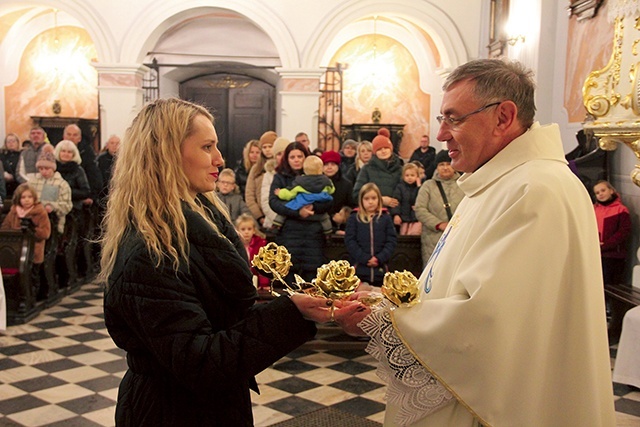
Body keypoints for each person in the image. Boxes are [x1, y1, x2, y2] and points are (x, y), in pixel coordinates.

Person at [338, 59, 615, 426]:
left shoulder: (537, 190)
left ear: (503, 116)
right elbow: (452, 284)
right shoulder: (493, 182)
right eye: (441, 119)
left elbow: (491, 321)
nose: (440, 134)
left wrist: (383, 320)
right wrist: (383, 299)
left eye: (454, 119)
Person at [100, 98, 359, 426]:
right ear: (166, 153)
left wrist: (300, 308)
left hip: (208, 406)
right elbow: (202, 362)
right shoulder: (152, 251)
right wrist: (290, 315)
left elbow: (225, 320)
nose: (220, 159)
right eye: (207, 146)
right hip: (172, 412)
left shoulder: (199, 219)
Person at [269, 142, 332, 281]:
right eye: (292, 157)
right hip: (289, 232)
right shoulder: (280, 177)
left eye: (300, 156)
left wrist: (313, 208)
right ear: (287, 159)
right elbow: (274, 202)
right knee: (290, 276)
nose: (296, 160)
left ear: (306, 158)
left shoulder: (317, 177)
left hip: (313, 232)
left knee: (313, 276)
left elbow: (328, 200)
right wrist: (298, 212)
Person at [63, 124, 103, 279]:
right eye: (68, 134)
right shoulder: (55, 154)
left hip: (81, 204)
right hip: (65, 205)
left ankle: (81, 268)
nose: (71, 137)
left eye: (74, 135)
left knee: (80, 236)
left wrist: (91, 197)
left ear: (79, 138)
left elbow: (94, 180)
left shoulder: (86, 155)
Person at [414, 149, 464, 265]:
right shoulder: (428, 186)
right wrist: (439, 224)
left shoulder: (463, 184)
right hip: (433, 239)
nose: (445, 167)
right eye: (441, 164)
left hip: (458, 237)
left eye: (448, 163)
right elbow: (420, 209)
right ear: (436, 167)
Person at [54, 140, 91, 288]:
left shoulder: (78, 170)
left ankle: (71, 273)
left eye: (69, 152)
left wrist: (66, 191)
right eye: (63, 151)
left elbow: (85, 191)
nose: (66, 154)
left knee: (68, 244)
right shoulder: (53, 168)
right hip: (55, 210)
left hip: (73, 211)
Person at [344, 183, 397, 287]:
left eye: (374, 198)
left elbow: (391, 240)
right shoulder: (354, 218)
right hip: (359, 269)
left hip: (381, 270)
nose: (370, 202)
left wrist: (379, 258)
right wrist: (365, 258)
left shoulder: (385, 218)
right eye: (366, 199)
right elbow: (350, 241)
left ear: (379, 199)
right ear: (361, 201)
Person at [272, 155, 334, 236]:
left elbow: (290, 193)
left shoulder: (300, 181)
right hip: (317, 210)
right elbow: (332, 190)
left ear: (304, 169)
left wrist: (280, 193)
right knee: (325, 218)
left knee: (286, 209)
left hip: (302, 204)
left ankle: (277, 224)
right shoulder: (326, 181)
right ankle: (328, 232)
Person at [1, 183, 51, 267]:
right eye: (23, 197)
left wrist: (31, 230)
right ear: (18, 199)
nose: (27, 200)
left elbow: (45, 233)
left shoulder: (40, 212)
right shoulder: (13, 211)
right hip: (14, 249)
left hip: (33, 250)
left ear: (34, 198)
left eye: (30, 197)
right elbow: (4, 228)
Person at [593, 180, 632, 285]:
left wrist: (605, 245)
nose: (600, 194)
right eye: (597, 193)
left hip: (614, 255)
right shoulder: (593, 209)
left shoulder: (621, 210)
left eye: (603, 190)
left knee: (611, 285)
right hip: (596, 254)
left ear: (611, 191)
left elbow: (624, 232)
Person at [352, 129, 402, 209]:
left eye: (386, 148)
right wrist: (380, 200)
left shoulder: (400, 169)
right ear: (375, 152)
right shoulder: (367, 169)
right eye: (379, 149)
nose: (383, 151)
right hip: (373, 213)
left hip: (396, 214)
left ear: (391, 149)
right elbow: (356, 194)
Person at [245, 131, 276, 226]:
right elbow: (249, 194)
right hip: (261, 216)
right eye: (264, 147)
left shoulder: (281, 167)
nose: (267, 150)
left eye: (270, 146)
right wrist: (259, 216)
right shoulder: (256, 168)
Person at [260, 137, 291, 230]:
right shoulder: (269, 174)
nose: (282, 157)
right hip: (274, 224)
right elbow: (265, 201)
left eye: (284, 153)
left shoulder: (295, 173)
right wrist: (278, 220)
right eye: (278, 154)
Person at [321, 150, 355, 232]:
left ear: (338, 166)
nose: (329, 167)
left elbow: (351, 206)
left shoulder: (346, 184)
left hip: (341, 227)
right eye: (326, 164)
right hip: (320, 226)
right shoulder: (317, 184)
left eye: (332, 164)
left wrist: (343, 216)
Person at [235, 213, 269, 290]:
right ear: (237, 230)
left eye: (249, 229)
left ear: (254, 230)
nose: (246, 232)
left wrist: (264, 284)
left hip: (257, 281)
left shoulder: (261, 245)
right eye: (243, 229)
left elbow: (263, 265)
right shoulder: (234, 245)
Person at [391, 162, 422, 236]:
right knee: (403, 235)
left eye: (412, 175)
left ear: (417, 176)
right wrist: (396, 214)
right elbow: (396, 201)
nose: (410, 177)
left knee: (415, 235)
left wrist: (419, 187)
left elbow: (421, 198)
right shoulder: (400, 188)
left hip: (416, 218)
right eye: (407, 175)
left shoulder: (420, 188)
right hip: (403, 218)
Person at [1, 133, 22, 197]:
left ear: (18, 142)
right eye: (9, 141)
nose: (11, 143)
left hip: (18, 186)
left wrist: (13, 177)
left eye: (13, 141)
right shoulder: (2, 155)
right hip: (4, 187)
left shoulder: (22, 155)